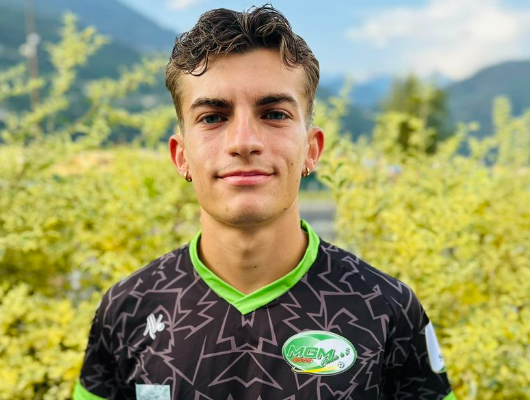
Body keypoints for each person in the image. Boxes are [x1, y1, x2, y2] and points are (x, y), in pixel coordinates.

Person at [74, 5, 456, 400]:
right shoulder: (127, 309)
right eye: (212, 117)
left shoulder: (387, 310)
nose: (243, 142)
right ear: (181, 155)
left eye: (274, 113)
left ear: (311, 149)